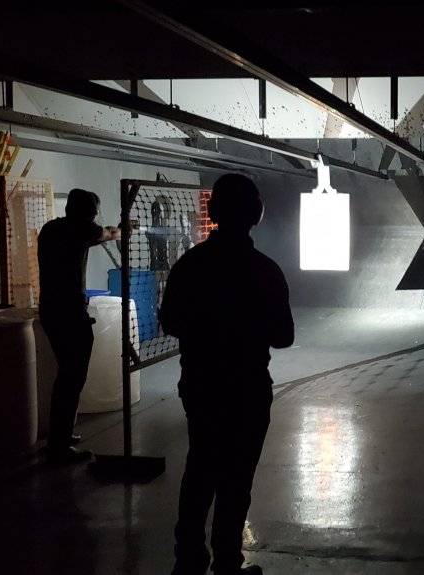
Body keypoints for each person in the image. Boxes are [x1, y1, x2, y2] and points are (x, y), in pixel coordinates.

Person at [159, 173, 294, 575]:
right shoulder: (266, 271)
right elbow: (284, 337)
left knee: (200, 469)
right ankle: (227, 563)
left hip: (200, 387)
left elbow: (170, 322)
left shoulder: (189, 265)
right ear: (256, 214)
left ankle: (188, 559)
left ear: (213, 211)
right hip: (248, 390)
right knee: (236, 480)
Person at [38, 189, 120, 464]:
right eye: (95, 211)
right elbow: (102, 234)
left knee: (66, 377)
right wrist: (119, 231)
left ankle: (59, 436)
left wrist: (114, 231)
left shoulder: (53, 229)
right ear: (89, 213)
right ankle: (58, 448)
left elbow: (86, 238)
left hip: (51, 311)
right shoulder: (82, 229)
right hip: (70, 313)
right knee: (72, 378)